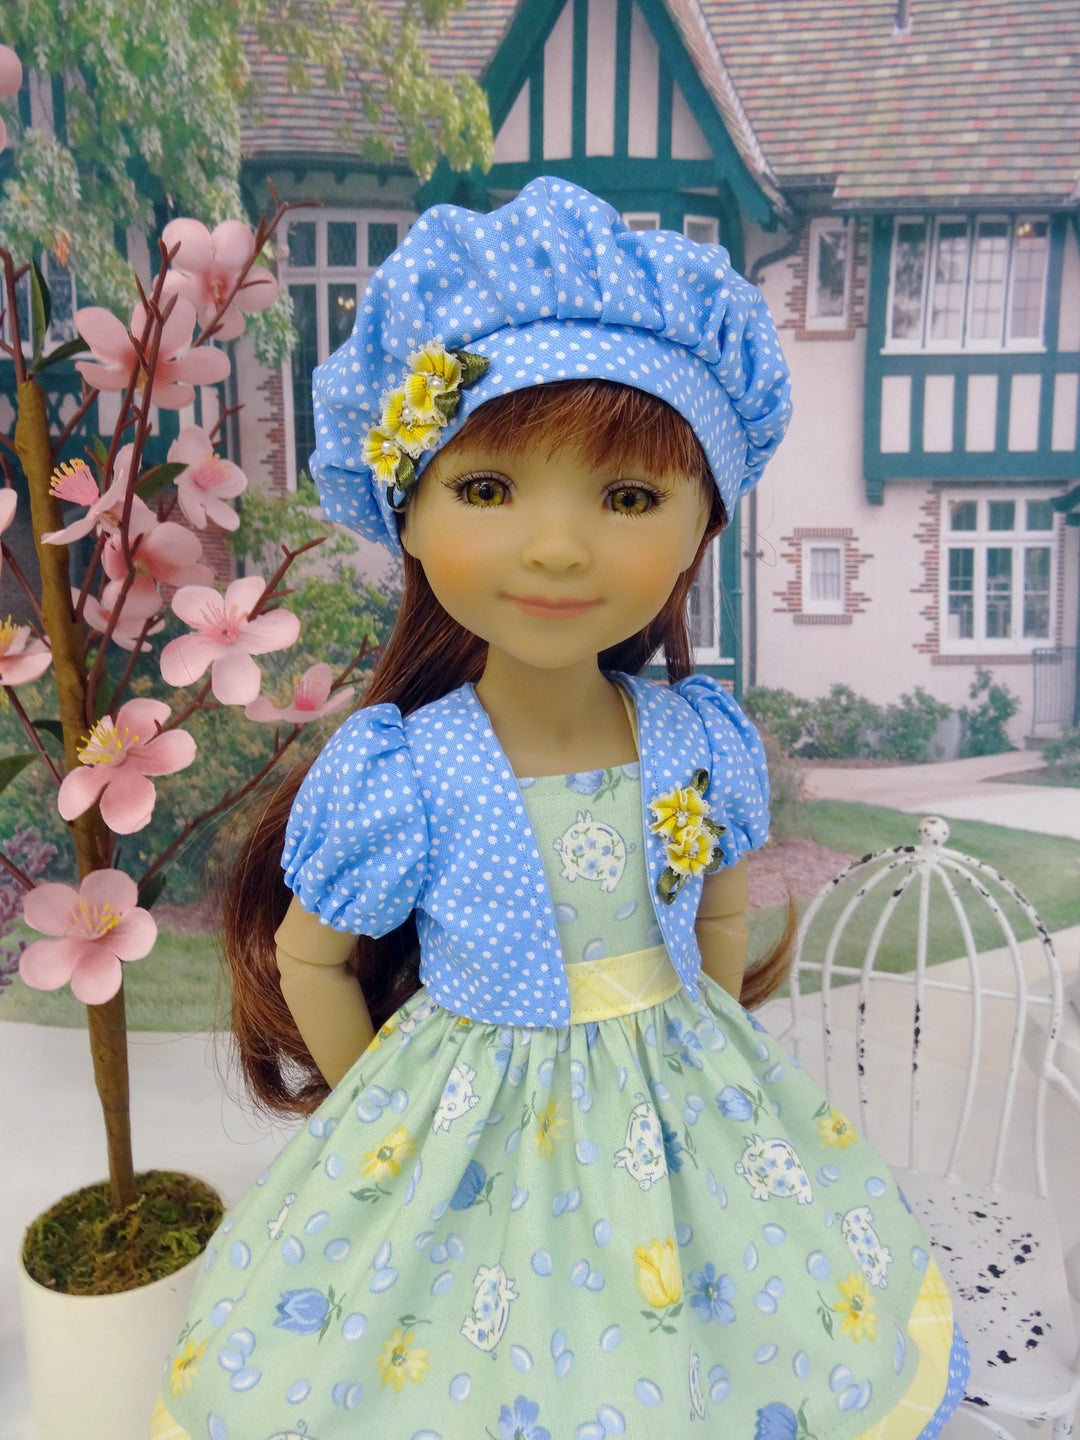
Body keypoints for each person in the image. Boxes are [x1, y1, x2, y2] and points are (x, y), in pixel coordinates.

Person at [152, 177, 968, 1440]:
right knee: (467, 1354)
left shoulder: (696, 740)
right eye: (488, 489)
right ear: (407, 513)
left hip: (679, 1088)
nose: (556, 548)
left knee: (708, 1340)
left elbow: (718, 917)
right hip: (465, 1106)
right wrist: (385, 1121)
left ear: (700, 529)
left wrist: (710, 1054)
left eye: (628, 498)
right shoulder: (408, 768)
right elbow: (311, 957)